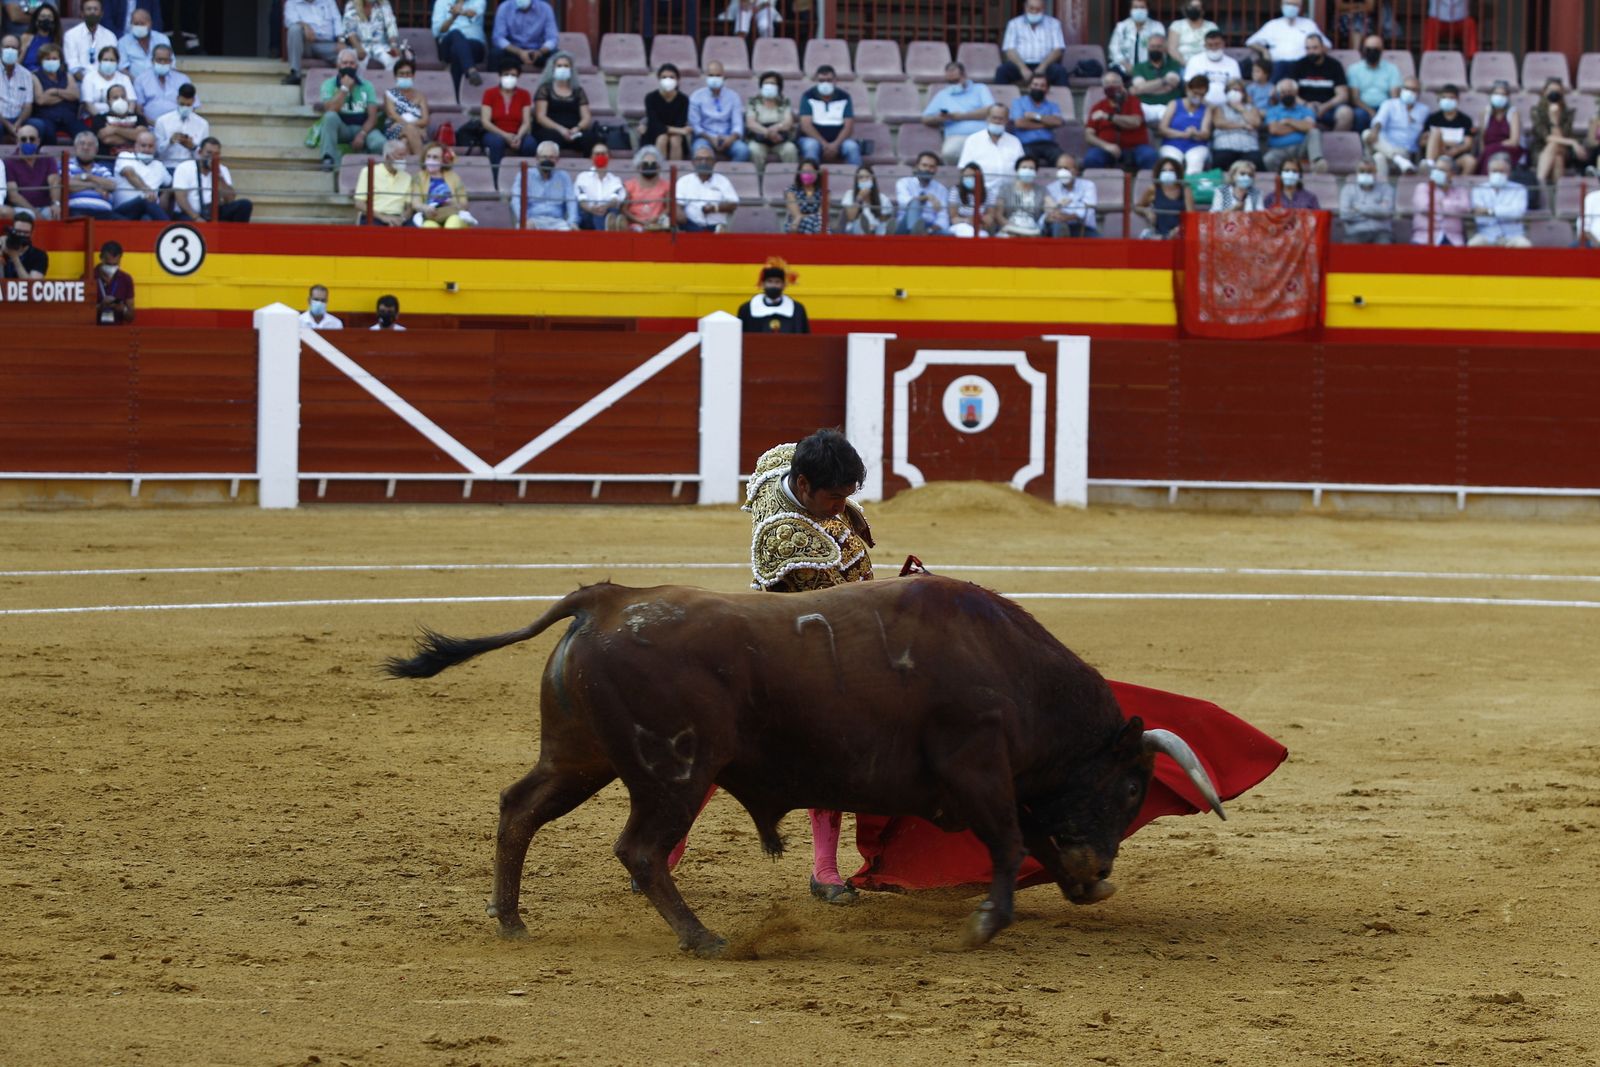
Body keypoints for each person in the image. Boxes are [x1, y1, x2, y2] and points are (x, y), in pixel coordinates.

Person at [737, 430, 869, 900]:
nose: (840, 506)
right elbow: (841, 611)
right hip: (795, 647)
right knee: (829, 746)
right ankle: (825, 872)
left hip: (805, 627)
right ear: (806, 484)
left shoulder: (787, 462)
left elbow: (793, 452)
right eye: (834, 497)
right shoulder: (787, 538)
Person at [316, 48, 384, 172]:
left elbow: (373, 117)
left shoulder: (367, 85)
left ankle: (378, 169)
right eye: (345, 63)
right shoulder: (328, 84)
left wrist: (362, 134)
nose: (348, 66)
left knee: (380, 143)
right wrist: (344, 89)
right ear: (338, 65)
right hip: (341, 127)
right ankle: (328, 158)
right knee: (330, 117)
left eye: (352, 63)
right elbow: (330, 109)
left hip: (363, 127)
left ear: (357, 66)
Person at [921, 61, 993, 165]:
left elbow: (990, 110)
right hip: (956, 136)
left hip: (981, 134)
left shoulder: (980, 88)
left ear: (964, 76)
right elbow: (925, 118)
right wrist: (940, 118)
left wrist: (961, 116)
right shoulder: (943, 94)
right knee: (948, 152)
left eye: (956, 81)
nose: (953, 84)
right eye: (950, 82)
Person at [1083, 70, 1156, 172]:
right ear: (1103, 88)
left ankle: (1150, 187)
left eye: (1115, 82)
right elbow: (1089, 135)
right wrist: (1106, 145)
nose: (1111, 86)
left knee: (1149, 156)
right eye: (1107, 83)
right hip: (1106, 148)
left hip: (1135, 148)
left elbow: (1135, 122)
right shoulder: (1098, 106)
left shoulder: (1133, 101)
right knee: (1091, 159)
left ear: (1122, 85)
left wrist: (1109, 117)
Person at [171, 136, 253, 222]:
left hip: (214, 213)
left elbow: (230, 199)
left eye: (216, 154)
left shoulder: (222, 169)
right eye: (209, 153)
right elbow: (180, 198)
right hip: (189, 214)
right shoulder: (185, 167)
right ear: (200, 152)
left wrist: (217, 175)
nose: (212, 157)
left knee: (245, 205)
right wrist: (196, 217)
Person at [480, 60, 533, 189]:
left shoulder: (524, 94)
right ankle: (496, 181)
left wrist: (518, 136)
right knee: (496, 143)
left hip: (518, 132)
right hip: (495, 132)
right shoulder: (489, 93)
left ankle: (526, 183)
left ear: (518, 77)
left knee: (530, 144)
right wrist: (505, 136)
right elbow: (485, 121)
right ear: (500, 75)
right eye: (506, 74)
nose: (509, 77)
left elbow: (526, 122)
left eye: (513, 75)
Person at [532, 50, 594, 156]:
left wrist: (577, 128)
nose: (563, 68)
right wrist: (561, 129)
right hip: (552, 129)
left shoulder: (578, 91)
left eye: (566, 66)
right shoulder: (545, 89)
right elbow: (540, 117)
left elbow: (586, 117)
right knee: (551, 140)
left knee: (591, 139)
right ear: (553, 68)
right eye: (559, 66)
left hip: (574, 130)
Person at [795, 64, 857, 168]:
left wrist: (835, 145)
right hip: (813, 139)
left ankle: (857, 180)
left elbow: (848, 126)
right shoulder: (808, 96)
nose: (825, 83)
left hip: (839, 140)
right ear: (816, 80)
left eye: (829, 80)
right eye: (821, 80)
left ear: (835, 80)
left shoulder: (845, 97)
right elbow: (806, 125)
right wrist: (825, 144)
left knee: (852, 147)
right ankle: (811, 181)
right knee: (811, 146)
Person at [1246, 2, 1324, 84]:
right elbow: (1250, 42)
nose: (1291, 7)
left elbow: (1326, 44)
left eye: (1294, 5)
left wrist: (1313, 54)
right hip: (1277, 65)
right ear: (1282, 6)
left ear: (1300, 7)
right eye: (1288, 4)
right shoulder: (1273, 25)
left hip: (1302, 65)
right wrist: (1264, 51)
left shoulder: (1309, 24)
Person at [1365, 75, 1426, 179]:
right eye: (1407, 88)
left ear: (1419, 93)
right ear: (1401, 89)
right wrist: (1375, 131)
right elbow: (1379, 121)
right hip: (1386, 145)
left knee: (1379, 156)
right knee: (1367, 134)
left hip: (1405, 151)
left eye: (1414, 90)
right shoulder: (1389, 104)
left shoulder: (1424, 110)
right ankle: (1399, 160)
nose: (1410, 92)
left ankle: (1399, 161)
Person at [1292, 33, 1355, 133]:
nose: (1311, 51)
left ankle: (1332, 144)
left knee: (1346, 113)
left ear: (1323, 48)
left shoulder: (1334, 65)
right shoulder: (1299, 65)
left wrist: (1325, 107)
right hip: (1304, 108)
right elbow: (1290, 92)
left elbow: (1343, 95)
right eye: (1308, 48)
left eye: (1315, 48)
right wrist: (1306, 104)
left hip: (1329, 108)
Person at [508, 139, 576, 229]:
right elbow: (516, 200)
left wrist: (572, 222)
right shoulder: (525, 175)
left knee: (570, 233)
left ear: (557, 159)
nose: (547, 160)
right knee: (524, 229)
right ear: (537, 158)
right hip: (532, 219)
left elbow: (571, 201)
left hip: (557, 221)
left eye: (551, 157)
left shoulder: (563, 176)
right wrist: (523, 219)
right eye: (544, 157)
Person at [1531, 81, 1588, 188]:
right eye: (1551, 90)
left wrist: (1555, 119)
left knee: (1556, 147)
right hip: (1541, 150)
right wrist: (1573, 142)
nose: (1554, 93)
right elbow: (1546, 138)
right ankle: (1554, 197)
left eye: (1557, 91)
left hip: (1564, 149)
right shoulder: (1536, 112)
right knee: (1557, 158)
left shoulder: (1568, 113)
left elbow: (1562, 137)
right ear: (1544, 92)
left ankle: (1539, 185)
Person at [997, 0, 1067, 87]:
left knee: (1060, 71)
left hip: (1046, 64)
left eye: (1038, 9)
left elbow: (1058, 49)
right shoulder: (1014, 24)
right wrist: (1023, 68)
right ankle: (1002, 99)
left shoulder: (1054, 24)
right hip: (1020, 64)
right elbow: (1009, 49)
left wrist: (1042, 67)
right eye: (1031, 8)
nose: (1034, 12)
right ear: (1025, 8)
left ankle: (1062, 99)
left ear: (1043, 9)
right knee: (1002, 71)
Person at [688, 60, 747, 162]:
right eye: (711, 75)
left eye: (718, 75)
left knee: (743, 150)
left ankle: (731, 176)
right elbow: (695, 126)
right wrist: (711, 139)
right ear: (706, 76)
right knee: (699, 150)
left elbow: (737, 124)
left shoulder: (733, 97)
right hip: (705, 138)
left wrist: (730, 139)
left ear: (724, 76)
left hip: (728, 137)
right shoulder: (696, 96)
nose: (714, 79)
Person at [1468, 153, 1529, 248]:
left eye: (1502, 171)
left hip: (1513, 235)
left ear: (1508, 172)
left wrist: (1490, 211)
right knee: (1473, 244)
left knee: (1524, 245)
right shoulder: (1478, 189)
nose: (1497, 174)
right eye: (1494, 171)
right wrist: (1506, 212)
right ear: (1489, 171)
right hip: (1487, 235)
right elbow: (1479, 217)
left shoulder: (1519, 189)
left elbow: (1518, 212)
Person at [431, 0, 486, 103]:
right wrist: (453, 17)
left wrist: (460, 12)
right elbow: (437, 31)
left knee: (457, 52)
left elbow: (474, 12)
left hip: (474, 45)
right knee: (456, 33)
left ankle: (456, 100)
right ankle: (471, 70)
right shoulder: (441, 2)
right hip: (448, 43)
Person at [674, 143, 738, 232]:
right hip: (690, 228)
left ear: (714, 162)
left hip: (716, 229)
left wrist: (714, 208)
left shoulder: (723, 181)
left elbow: (733, 203)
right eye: (699, 159)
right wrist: (678, 213)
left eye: (708, 159)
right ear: (693, 162)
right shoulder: (683, 181)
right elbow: (677, 205)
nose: (703, 162)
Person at [352, 137, 417, 224]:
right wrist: (383, 217)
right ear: (387, 157)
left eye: (404, 155)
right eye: (399, 155)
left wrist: (402, 219)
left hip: (399, 218)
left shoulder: (407, 177)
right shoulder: (368, 171)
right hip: (375, 216)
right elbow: (359, 203)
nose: (403, 159)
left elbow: (409, 207)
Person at [1262, 77, 1322, 172]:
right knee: (1268, 159)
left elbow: (1309, 126)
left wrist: (1288, 121)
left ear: (1295, 93)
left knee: (1314, 132)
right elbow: (1274, 130)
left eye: (1289, 92)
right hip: (1279, 149)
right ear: (1279, 94)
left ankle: (1317, 162)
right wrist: (1299, 127)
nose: (1286, 95)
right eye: (1283, 92)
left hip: (1301, 148)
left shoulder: (1305, 110)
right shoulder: (1272, 111)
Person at [1157, 75, 1212, 175]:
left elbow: (1206, 133)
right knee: (1172, 165)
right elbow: (1162, 129)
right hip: (1172, 144)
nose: (1198, 97)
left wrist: (1196, 133)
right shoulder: (1174, 104)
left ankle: (1190, 189)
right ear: (1188, 89)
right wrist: (1183, 134)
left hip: (1196, 145)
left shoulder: (1206, 109)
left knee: (1195, 163)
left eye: (1202, 95)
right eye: (1195, 93)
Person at [25, 42, 78, 144]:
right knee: (48, 133)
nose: (51, 61)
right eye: (48, 59)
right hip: (46, 117)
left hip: (68, 116)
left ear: (60, 60)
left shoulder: (67, 75)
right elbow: (41, 100)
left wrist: (54, 91)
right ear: (41, 61)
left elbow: (75, 95)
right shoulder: (34, 76)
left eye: (54, 59)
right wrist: (65, 95)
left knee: (84, 133)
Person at [737, 259, 810, 334]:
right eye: (769, 281)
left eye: (777, 282)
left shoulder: (797, 309)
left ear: (784, 285)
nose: (773, 285)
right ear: (762, 284)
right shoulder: (747, 309)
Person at [957, 103, 1023, 184]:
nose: (997, 121)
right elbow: (964, 169)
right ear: (987, 118)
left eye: (1001, 118)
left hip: (1009, 192)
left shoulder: (1015, 141)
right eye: (994, 118)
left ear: (1007, 120)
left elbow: (1022, 169)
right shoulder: (973, 140)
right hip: (982, 192)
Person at [1345, 34, 1400, 130]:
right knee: (1359, 115)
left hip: (1384, 107)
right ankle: (1359, 144)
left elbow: (1394, 96)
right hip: (1362, 107)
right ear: (1363, 50)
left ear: (1382, 50)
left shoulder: (1392, 69)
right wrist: (1371, 112)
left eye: (1375, 50)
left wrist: (1383, 112)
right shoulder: (1354, 69)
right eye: (1368, 49)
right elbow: (1354, 98)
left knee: (1392, 114)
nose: (1372, 52)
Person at [1410, 155, 1468, 246]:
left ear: (1452, 174)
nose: (1437, 172)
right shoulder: (1422, 188)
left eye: (1442, 170)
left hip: (1453, 239)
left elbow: (1465, 208)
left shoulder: (1460, 190)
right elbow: (1424, 208)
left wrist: (1441, 204)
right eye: (1436, 169)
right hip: (1424, 238)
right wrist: (1450, 207)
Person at [110, 127, 167, 219]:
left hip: (148, 210)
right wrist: (147, 190)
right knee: (145, 200)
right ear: (135, 146)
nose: (146, 149)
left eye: (150, 146)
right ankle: (171, 228)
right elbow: (129, 174)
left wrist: (165, 197)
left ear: (155, 148)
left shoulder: (159, 165)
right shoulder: (125, 156)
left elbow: (170, 185)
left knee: (147, 218)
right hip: (125, 209)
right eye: (143, 145)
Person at [746, 69, 797, 170]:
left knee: (790, 149)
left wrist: (776, 128)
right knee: (754, 150)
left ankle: (791, 182)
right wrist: (768, 133)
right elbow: (751, 123)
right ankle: (758, 182)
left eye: (773, 84)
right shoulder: (753, 102)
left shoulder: (784, 102)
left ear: (779, 87)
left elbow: (788, 122)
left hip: (779, 139)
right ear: (761, 86)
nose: (769, 86)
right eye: (766, 83)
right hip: (759, 139)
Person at [1009, 71, 1063, 167]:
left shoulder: (1053, 105)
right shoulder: (1018, 103)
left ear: (1047, 89)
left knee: (1064, 160)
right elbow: (1019, 123)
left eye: (1042, 85)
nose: (1038, 88)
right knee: (1028, 164)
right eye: (1035, 85)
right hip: (1026, 144)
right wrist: (1046, 124)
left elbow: (1058, 122)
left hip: (1048, 144)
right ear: (1029, 87)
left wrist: (1036, 117)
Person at [283, 0, 343, 87]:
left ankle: (346, 82)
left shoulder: (329, 2)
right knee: (294, 29)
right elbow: (290, 21)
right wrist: (304, 25)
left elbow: (337, 20)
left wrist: (341, 40)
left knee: (349, 54)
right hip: (305, 45)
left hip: (327, 44)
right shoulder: (292, 3)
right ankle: (295, 73)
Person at [489, 0, 557, 76]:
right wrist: (519, 52)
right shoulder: (504, 7)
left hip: (537, 51)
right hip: (513, 51)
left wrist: (539, 52)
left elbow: (552, 38)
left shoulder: (545, 8)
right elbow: (498, 38)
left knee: (557, 55)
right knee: (495, 54)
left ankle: (554, 86)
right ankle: (495, 85)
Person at [1421, 84, 1476, 179]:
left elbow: (1468, 144)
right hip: (1437, 155)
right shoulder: (1432, 119)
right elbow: (1422, 142)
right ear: (1439, 99)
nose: (1447, 100)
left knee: (1470, 161)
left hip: (1456, 158)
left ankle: (1460, 185)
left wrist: (1454, 151)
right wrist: (1444, 143)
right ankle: (1430, 168)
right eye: (1444, 98)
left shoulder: (1465, 120)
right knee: (1436, 133)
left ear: (1457, 100)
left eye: (1451, 98)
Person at [1129, 30, 1183, 123]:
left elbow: (1172, 84)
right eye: (1152, 46)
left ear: (1165, 48)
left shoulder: (1174, 64)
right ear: (1148, 47)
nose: (1155, 49)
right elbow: (1139, 88)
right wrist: (1164, 81)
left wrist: (1147, 88)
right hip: (1145, 106)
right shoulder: (1139, 67)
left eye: (1159, 47)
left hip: (1168, 105)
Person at [1210, 77, 1263, 172]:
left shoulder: (1251, 108)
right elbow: (1219, 123)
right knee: (1221, 160)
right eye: (1233, 90)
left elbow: (1255, 123)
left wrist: (1241, 109)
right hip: (1225, 147)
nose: (1236, 93)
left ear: (1243, 93)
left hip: (1249, 147)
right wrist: (1243, 125)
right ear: (1227, 92)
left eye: (1239, 90)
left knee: (1257, 161)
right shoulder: (1219, 108)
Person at [893, 151, 951, 235]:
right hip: (905, 224)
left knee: (949, 234)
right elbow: (904, 202)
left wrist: (929, 230)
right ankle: (915, 232)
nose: (927, 169)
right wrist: (926, 197)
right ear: (917, 166)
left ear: (936, 169)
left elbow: (943, 217)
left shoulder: (941, 189)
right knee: (915, 203)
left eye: (932, 167)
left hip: (929, 227)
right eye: (924, 165)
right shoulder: (904, 182)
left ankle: (918, 233)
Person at [5, 123, 56, 216]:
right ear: (17, 141)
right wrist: (35, 213)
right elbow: (14, 196)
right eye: (23, 139)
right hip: (21, 209)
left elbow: (54, 183)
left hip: (45, 207)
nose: (28, 142)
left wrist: (56, 204)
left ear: (38, 141)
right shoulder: (9, 162)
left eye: (32, 139)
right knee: (27, 215)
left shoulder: (48, 159)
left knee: (55, 213)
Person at [383, 55, 429, 159]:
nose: (405, 76)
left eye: (408, 74)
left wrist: (413, 127)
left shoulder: (420, 96)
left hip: (416, 130)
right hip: (394, 129)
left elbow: (425, 120)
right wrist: (413, 127)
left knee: (405, 142)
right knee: (409, 129)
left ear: (413, 76)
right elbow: (393, 115)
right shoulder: (389, 94)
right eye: (401, 74)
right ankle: (423, 166)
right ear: (395, 76)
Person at [1336, 159, 1393, 242]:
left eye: (1370, 171)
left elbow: (1386, 212)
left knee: (1385, 243)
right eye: (1362, 171)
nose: (1366, 174)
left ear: (1375, 173)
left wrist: (1358, 207)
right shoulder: (1347, 189)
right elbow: (1345, 214)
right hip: (1355, 232)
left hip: (1382, 232)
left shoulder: (1386, 188)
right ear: (1357, 173)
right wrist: (1376, 211)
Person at [641, 62, 689, 161]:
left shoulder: (683, 100)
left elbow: (680, 123)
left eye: (671, 77)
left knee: (675, 140)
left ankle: (675, 173)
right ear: (659, 79)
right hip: (653, 135)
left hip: (676, 136)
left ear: (678, 80)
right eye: (664, 77)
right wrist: (680, 131)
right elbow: (654, 124)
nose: (668, 80)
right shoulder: (650, 98)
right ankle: (661, 172)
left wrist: (678, 131)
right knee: (662, 138)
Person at [418, 140, 472, 227]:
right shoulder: (418, 178)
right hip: (431, 216)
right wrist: (425, 208)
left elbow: (464, 204)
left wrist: (453, 203)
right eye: (428, 157)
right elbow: (415, 203)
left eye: (435, 157)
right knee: (429, 227)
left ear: (443, 160)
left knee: (452, 224)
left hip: (452, 214)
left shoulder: (454, 177)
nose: (430, 160)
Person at [1043, 153, 1098, 238]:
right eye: (1059, 168)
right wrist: (1056, 214)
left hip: (1081, 227)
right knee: (1058, 226)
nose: (1062, 172)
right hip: (1058, 226)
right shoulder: (1051, 187)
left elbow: (1088, 210)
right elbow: (1050, 212)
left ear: (1076, 170)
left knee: (1101, 244)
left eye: (1066, 168)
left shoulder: (1088, 186)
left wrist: (1068, 217)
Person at [1106, 0, 1164, 79]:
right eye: (1135, 7)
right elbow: (1114, 49)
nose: (1139, 10)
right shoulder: (1121, 27)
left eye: (1142, 7)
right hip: (1123, 68)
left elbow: (1160, 49)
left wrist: (1143, 68)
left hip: (1149, 67)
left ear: (1147, 9)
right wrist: (1126, 65)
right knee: (1111, 79)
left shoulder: (1157, 26)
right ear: (1130, 9)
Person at [1182, 28, 1238, 108]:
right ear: (1205, 45)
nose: (1214, 47)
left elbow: (1236, 87)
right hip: (1200, 105)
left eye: (1217, 44)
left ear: (1223, 44)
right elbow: (1188, 86)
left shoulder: (1233, 63)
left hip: (1227, 106)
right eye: (1210, 45)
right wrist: (1198, 103)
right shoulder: (1195, 61)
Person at [131, 43, 187, 124]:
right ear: (152, 61)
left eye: (166, 60)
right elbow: (139, 109)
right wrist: (152, 124)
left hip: (177, 125)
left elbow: (190, 105)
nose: (162, 63)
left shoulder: (182, 79)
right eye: (159, 60)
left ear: (171, 61)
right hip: (150, 127)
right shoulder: (141, 79)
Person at [990, 155, 1044, 237]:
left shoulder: (1041, 190)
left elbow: (1050, 205)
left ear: (1035, 172)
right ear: (1017, 170)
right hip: (1009, 229)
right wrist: (1013, 228)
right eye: (1024, 167)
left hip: (1032, 231)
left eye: (1031, 168)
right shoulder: (1005, 189)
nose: (1027, 170)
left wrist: (1058, 205)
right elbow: (998, 214)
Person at [65, 129, 116, 217]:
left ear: (96, 150)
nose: (86, 147)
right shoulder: (66, 165)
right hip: (77, 210)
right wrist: (94, 185)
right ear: (75, 147)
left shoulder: (102, 169)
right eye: (82, 143)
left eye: (90, 144)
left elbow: (111, 185)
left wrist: (87, 177)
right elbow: (66, 184)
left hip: (104, 212)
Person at [619, 145, 670, 232]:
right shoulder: (629, 185)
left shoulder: (666, 186)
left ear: (658, 167)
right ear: (639, 166)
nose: (649, 166)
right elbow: (624, 209)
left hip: (658, 227)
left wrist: (657, 218)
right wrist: (639, 221)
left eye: (653, 164)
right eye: (645, 164)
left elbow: (669, 208)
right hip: (633, 227)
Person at [342, 0, 403, 72]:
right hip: (360, 45)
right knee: (354, 61)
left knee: (394, 59)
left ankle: (388, 82)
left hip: (381, 45)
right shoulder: (351, 5)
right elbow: (350, 31)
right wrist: (358, 47)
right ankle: (361, 83)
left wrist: (393, 45)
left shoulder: (384, 3)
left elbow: (391, 26)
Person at [574, 140, 623, 230]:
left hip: (607, 213)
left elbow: (615, 198)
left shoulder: (615, 180)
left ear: (609, 157)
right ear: (591, 157)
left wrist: (605, 207)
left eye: (603, 154)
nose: (600, 156)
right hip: (587, 214)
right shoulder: (582, 177)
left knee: (607, 214)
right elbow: (581, 199)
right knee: (596, 216)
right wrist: (592, 209)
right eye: (597, 154)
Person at [1136, 156, 1189, 237]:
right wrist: (1147, 212)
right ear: (1159, 173)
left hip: (1181, 236)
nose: (1167, 173)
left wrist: (1180, 229)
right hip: (1160, 237)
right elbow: (1137, 207)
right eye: (1164, 171)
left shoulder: (1185, 190)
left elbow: (1191, 217)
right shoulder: (1153, 189)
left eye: (1171, 171)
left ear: (1177, 173)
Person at [152, 81, 204, 165]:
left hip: (190, 167)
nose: (185, 107)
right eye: (182, 104)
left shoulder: (202, 124)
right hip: (168, 165)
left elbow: (203, 155)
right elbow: (157, 152)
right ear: (177, 98)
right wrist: (170, 141)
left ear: (193, 101)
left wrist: (192, 147)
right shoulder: (162, 121)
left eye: (188, 105)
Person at [62, 0, 114, 82]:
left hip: (105, 80)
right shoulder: (71, 35)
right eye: (89, 9)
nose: (92, 12)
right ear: (82, 13)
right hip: (79, 81)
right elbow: (72, 66)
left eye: (96, 9)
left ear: (101, 14)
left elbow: (113, 63)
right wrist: (88, 83)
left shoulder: (110, 36)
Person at [1476, 80, 1520, 174]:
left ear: (1508, 97)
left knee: (1491, 151)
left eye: (1503, 94)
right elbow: (1482, 138)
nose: (1499, 97)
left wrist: (1495, 147)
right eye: (1496, 94)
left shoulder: (1513, 113)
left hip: (1508, 148)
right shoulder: (1485, 113)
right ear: (1491, 96)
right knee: (1486, 153)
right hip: (1488, 149)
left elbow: (1514, 141)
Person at [81, 44, 133, 119]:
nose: (108, 63)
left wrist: (127, 118)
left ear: (117, 62)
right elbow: (88, 104)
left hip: (122, 119)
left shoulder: (124, 78)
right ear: (99, 61)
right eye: (105, 60)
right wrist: (101, 120)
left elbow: (131, 102)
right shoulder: (89, 78)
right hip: (95, 118)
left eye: (112, 60)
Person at [116, 6, 167, 80]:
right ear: (131, 24)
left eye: (142, 23)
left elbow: (170, 65)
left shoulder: (162, 39)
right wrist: (139, 84)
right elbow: (122, 69)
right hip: (133, 85)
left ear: (150, 23)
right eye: (136, 24)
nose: (139, 26)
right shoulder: (123, 42)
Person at [840, 163, 890, 235]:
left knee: (882, 226)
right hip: (854, 232)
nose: (864, 180)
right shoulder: (849, 194)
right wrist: (859, 198)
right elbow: (850, 217)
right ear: (856, 181)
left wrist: (874, 226)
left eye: (867, 177)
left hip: (875, 232)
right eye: (861, 178)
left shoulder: (882, 198)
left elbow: (883, 219)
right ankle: (865, 231)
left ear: (872, 179)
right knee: (859, 222)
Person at [1, 33, 33, 142]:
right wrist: (9, 126)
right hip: (1, 119)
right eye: (7, 47)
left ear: (19, 51)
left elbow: (28, 106)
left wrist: (18, 123)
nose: (10, 50)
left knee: (40, 126)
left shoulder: (26, 74)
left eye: (13, 48)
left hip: (19, 119)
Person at [92, 82, 142, 150]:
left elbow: (142, 136)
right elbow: (107, 140)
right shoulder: (100, 118)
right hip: (109, 159)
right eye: (115, 98)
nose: (120, 100)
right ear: (108, 101)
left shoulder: (139, 118)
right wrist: (133, 137)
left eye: (123, 97)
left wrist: (115, 129)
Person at [94, 239, 133, 324]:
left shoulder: (126, 279)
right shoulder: (89, 278)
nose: (112, 267)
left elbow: (131, 317)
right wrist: (100, 307)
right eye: (108, 264)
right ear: (101, 258)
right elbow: (79, 313)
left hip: (116, 332)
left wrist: (123, 309)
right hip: (93, 332)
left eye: (115, 264)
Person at [1168, 1, 1218, 65]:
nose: (1193, 9)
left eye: (1197, 7)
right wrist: (1185, 64)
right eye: (1191, 6)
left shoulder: (1211, 26)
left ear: (1203, 10)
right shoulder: (1177, 25)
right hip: (1182, 64)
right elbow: (1172, 49)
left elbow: (1215, 47)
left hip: (1206, 64)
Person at [947, 162, 989, 237]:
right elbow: (953, 219)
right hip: (960, 226)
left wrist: (981, 222)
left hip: (980, 228)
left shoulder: (988, 192)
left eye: (972, 176)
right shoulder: (955, 190)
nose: (969, 179)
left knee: (983, 235)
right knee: (969, 234)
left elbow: (989, 219)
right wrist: (967, 221)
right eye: (966, 177)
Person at [782, 157, 822, 234]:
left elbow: (821, 215)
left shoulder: (824, 192)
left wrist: (802, 217)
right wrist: (802, 218)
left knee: (818, 224)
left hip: (817, 224)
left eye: (810, 171)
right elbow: (796, 215)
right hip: (796, 223)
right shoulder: (791, 190)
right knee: (807, 223)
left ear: (817, 173)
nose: (807, 174)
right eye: (804, 171)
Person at [2, 206, 44, 277]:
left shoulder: (39, 255)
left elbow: (31, 285)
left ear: (32, 233)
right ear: (12, 230)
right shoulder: (4, 244)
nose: (22, 235)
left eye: (25, 232)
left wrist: (14, 258)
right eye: (18, 231)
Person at [20, 5, 61, 75]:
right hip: (28, 75)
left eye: (49, 17)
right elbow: (17, 63)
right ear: (36, 20)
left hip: (49, 77)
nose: (46, 19)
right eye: (43, 16)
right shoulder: (27, 37)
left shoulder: (58, 39)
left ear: (54, 21)